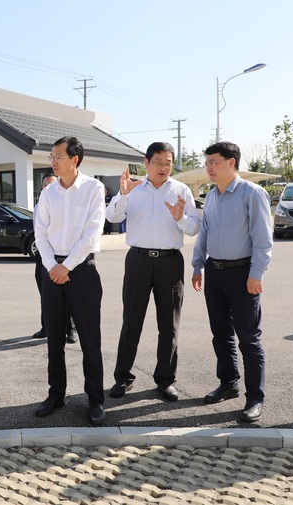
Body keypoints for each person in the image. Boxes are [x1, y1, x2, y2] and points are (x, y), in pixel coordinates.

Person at [106, 142, 201, 402]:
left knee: (169, 325)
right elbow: (112, 218)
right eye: (158, 162)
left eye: (168, 163)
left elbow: (194, 228)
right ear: (146, 163)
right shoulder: (133, 189)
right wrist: (122, 194)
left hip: (170, 262)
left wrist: (180, 218)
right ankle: (123, 377)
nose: (163, 167)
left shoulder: (180, 190)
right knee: (131, 321)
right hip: (137, 260)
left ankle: (165, 380)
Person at [192, 141, 273, 423]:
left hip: (243, 274)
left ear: (231, 162)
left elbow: (263, 239)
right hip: (215, 272)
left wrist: (257, 274)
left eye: (214, 162)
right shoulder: (212, 197)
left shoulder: (253, 193)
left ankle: (255, 398)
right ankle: (228, 383)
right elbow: (204, 232)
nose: (209, 168)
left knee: (248, 338)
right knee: (221, 334)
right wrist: (198, 265)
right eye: (207, 163)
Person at [33, 136, 106, 425]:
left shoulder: (93, 188)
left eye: (58, 156)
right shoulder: (48, 193)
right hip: (52, 270)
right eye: (51, 156)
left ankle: (96, 399)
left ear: (74, 159)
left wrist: (67, 266)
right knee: (54, 338)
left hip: (81, 269)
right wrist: (53, 266)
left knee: (89, 338)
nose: (53, 161)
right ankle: (56, 394)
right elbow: (40, 232)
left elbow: (92, 233)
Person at [32, 173, 78, 344]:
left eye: (50, 184)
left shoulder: (67, 203)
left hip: (65, 256)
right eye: (44, 185)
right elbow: (39, 232)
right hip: (45, 256)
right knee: (45, 294)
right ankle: (46, 327)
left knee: (68, 295)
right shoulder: (39, 206)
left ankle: (70, 329)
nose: (47, 188)